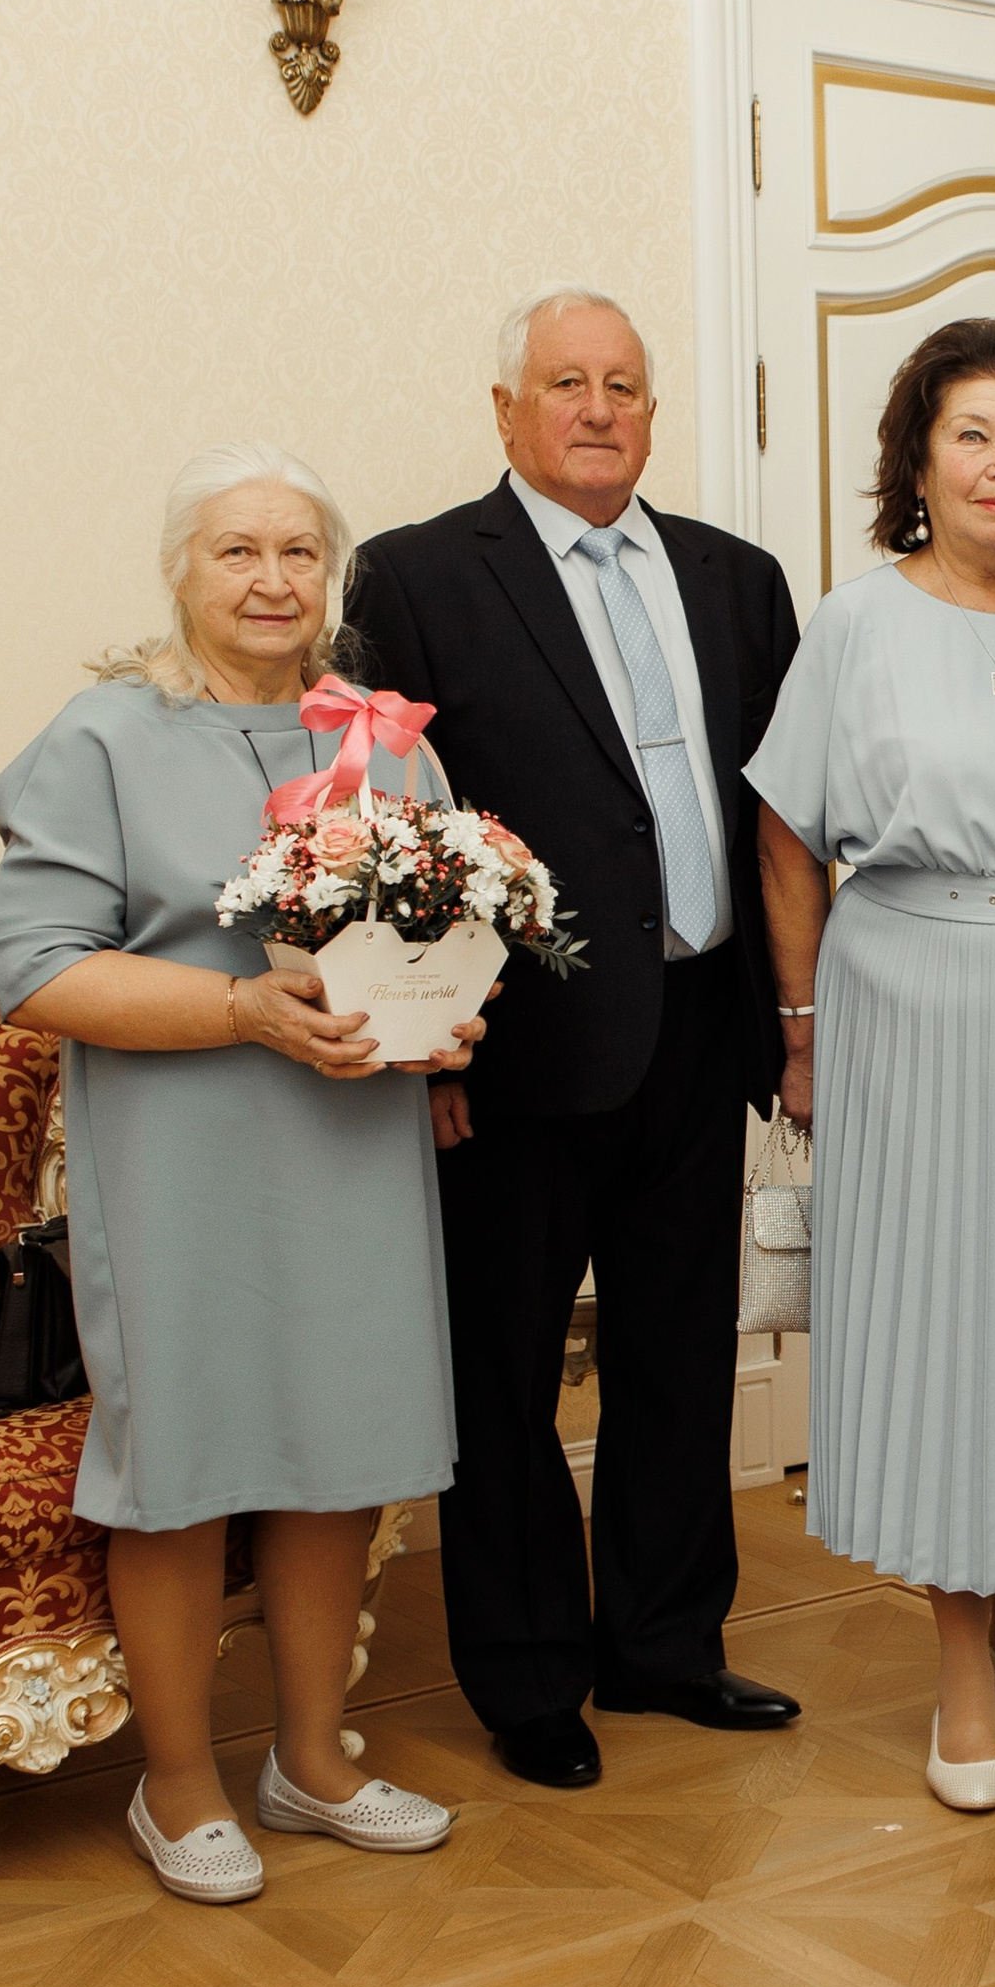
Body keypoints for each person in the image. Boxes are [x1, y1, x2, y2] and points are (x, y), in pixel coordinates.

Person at [0, 447, 460, 1901]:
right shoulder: (108, 735)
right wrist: (240, 1009)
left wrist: (452, 1022)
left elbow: (437, 932)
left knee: (340, 1450)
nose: (271, 579)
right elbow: (33, 968)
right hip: (180, 1148)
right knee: (180, 1469)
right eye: (237, 552)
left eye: (300, 553)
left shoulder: (386, 739)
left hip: (357, 1141)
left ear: (334, 576)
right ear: (182, 572)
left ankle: (311, 1761)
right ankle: (178, 1786)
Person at [345, 290, 802, 1789]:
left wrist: (789, 1019)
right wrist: (429, 1044)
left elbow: (775, 812)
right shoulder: (416, 575)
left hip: (695, 1019)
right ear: (506, 411)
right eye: (566, 384)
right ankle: (531, 1676)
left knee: (678, 1357)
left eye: (624, 386)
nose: (598, 408)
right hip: (518, 1047)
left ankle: (665, 1646)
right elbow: (382, 828)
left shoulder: (739, 580)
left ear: (653, 414)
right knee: (509, 1376)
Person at [748, 318, 995, 1813]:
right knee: (947, 1326)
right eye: (971, 434)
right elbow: (789, 832)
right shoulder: (856, 624)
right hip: (907, 1002)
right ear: (918, 457)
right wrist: (800, 1031)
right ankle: (964, 1676)